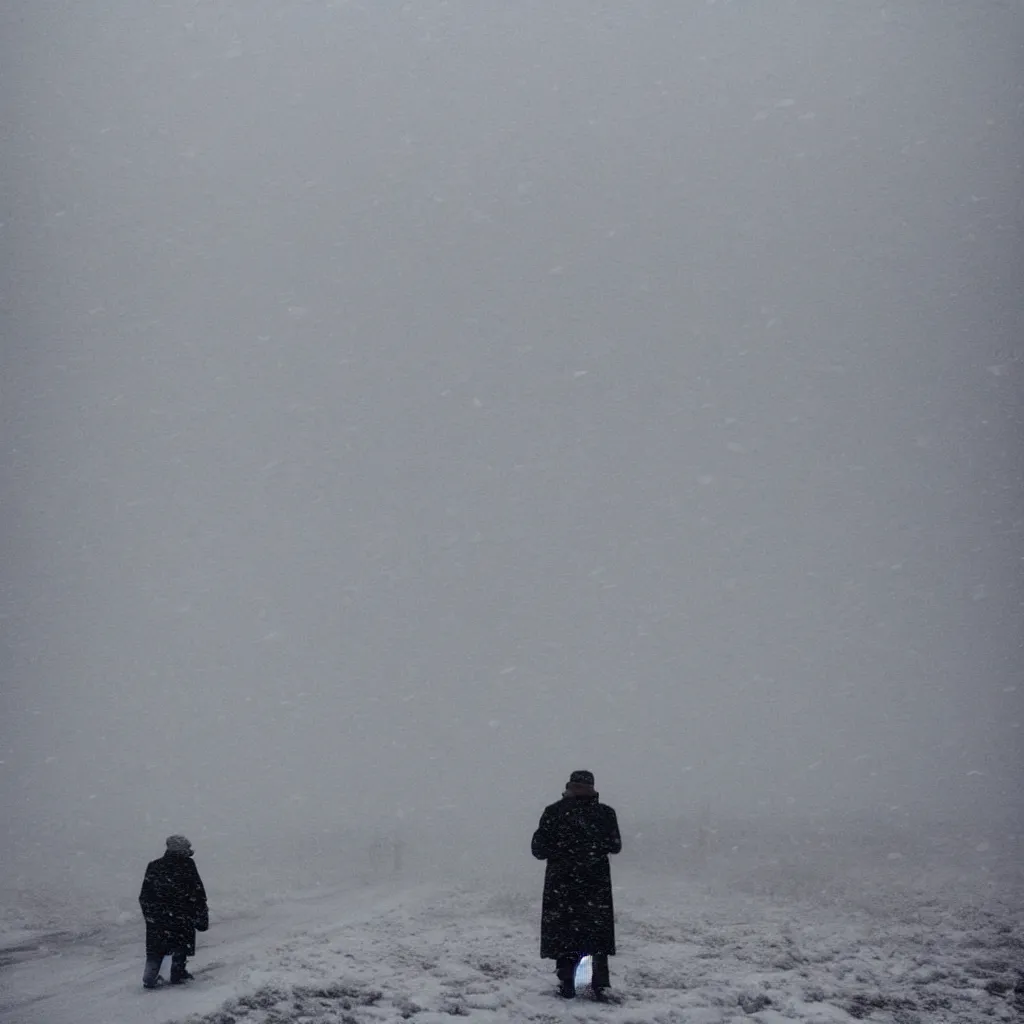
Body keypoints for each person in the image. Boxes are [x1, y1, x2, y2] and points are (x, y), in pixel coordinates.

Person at [531, 770, 621, 1000]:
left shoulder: (554, 812)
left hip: (562, 884)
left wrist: (563, 851)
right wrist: (590, 849)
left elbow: (538, 849)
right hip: (595, 882)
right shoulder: (605, 813)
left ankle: (567, 981)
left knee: (565, 934)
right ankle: (600, 985)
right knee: (597, 936)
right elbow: (615, 845)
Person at [139, 835, 209, 989]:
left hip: (160, 916)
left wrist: (150, 914)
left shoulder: (155, 866)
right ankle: (178, 973)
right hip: (182, 914)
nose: (190, 851)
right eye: (187, 848)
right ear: (180, 849)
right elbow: (197, 890)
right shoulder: (187, 865)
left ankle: (150, 976)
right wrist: (200, 910)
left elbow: (145, 895)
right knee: (181, 945)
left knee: (156, 949)